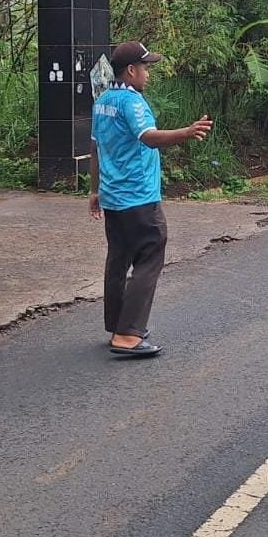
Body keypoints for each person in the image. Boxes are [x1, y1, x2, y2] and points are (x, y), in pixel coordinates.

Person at [89, 41, 213, 358]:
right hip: (138, 196)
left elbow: (95, 148)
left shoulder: (102, 100)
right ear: (131, 70)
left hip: (113, 197)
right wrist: (187, 132)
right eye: (145, 68)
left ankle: (117, 325)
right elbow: (149, 138)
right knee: (150, 254)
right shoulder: (133, 102)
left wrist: (94, 190)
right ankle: (129, 335)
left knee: (118, 260)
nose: (147, 74)